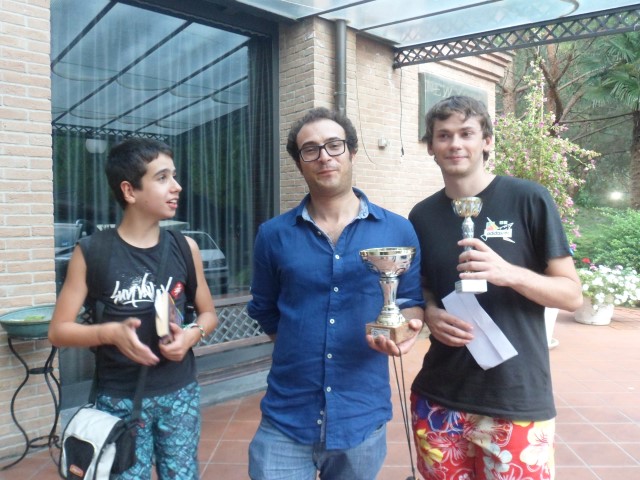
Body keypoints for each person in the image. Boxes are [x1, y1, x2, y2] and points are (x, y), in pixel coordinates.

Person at [408, 95, 583, 480]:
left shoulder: (528, 199)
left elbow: (572, 295)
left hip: (515, 398)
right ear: (431, 147)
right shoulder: (421, 215)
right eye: (443, 135)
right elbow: (423, 287)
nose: (455, 144)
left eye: (466, 133)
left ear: (487, 141)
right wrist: (431, 312)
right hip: (440, 398)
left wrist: (510, 273)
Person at [247, 107, 425, 480]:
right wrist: (300, 340)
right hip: (287, 415)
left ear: (352, 152)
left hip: (361, 414)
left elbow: (409, 301)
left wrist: (404, 330)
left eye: (334, 145)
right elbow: (265, 308)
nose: (324, 156)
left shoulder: (397, 230)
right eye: (310, 149)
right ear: (299, 163)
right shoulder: (273, 235)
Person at [49, 138, 218, 480]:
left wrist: (191, 336)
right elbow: (58, 330)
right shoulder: (92, 252)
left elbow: (208, 314)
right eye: (163, 178)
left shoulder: (185, 247)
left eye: (174, 176)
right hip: (119, 399)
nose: (177, 186)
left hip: (180, 392)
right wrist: (109, 332)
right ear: (129, 190)